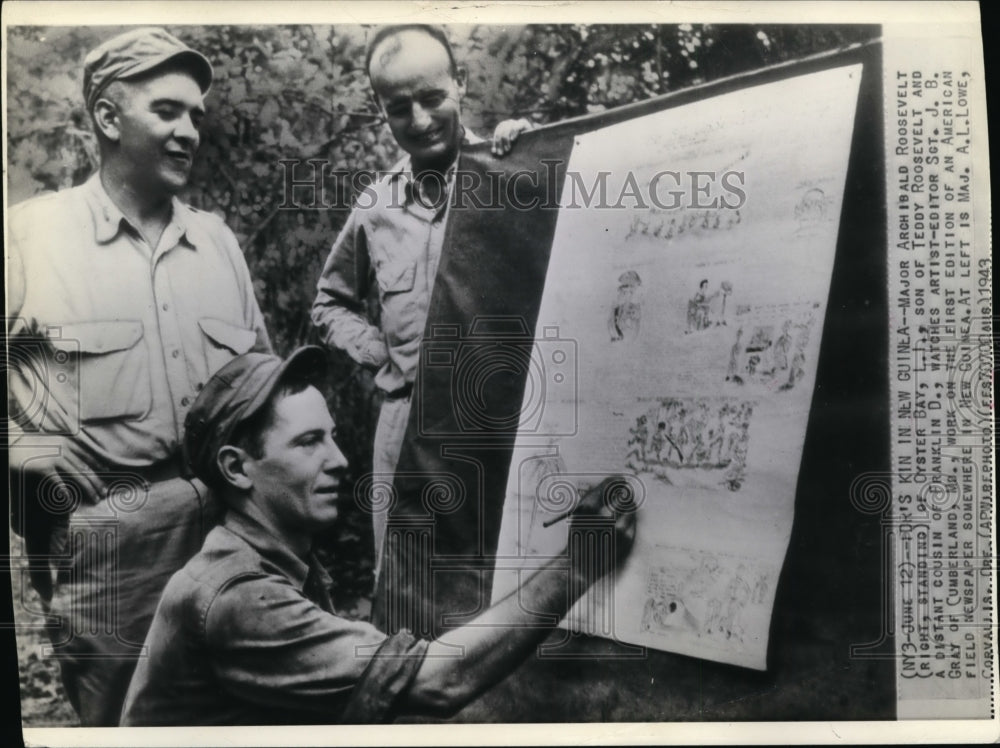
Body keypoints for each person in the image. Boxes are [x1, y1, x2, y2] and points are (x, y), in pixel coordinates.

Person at [119, 348, 636, 725]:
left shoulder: (273, 558)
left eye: (333, 437)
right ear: (237, 469)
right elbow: (440, 680)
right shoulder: (238, 598)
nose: (340, 460)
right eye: (308, 443)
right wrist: (578, 566)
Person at [7, 28, 271, 726]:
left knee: (250, 720)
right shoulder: (30, 237)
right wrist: (21, 444)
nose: (189, 131)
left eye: (196, 117)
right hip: (108, 554)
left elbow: (267, 391)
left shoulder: (216, 242)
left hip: (232, 535)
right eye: (167, 112)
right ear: (107, 117)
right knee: (127, 727)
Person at [311, 25, 533, 582]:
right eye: (399, 107)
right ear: (381, 111)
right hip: (404, 426)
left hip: (499, 419)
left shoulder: (512, 174)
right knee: (406, 582)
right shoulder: (377, 206)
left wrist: (535, 152)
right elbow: (328, 304)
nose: (420, 121)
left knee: (501, 578)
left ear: (460, 85)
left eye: (433, 98)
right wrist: (379, 351)